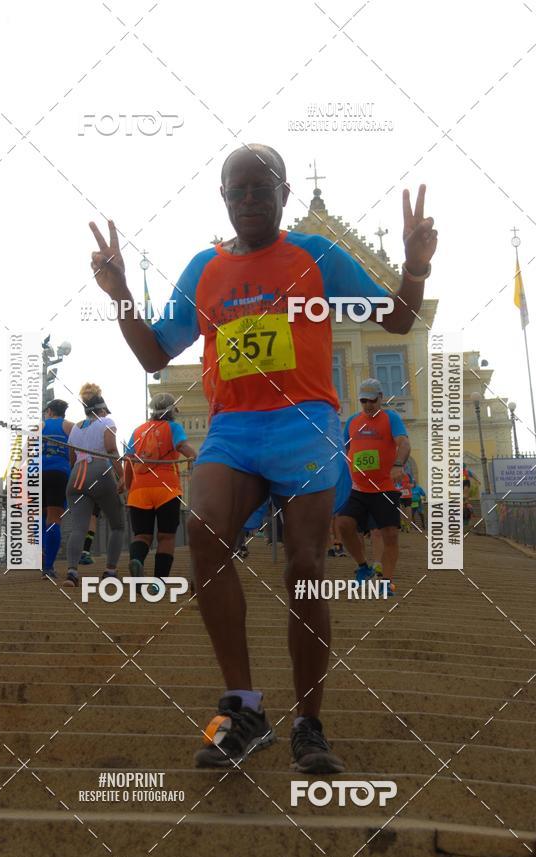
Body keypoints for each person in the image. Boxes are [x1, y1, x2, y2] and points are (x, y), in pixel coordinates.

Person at [88, 143, 437, 772]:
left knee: (303, 563)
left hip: (306, 428)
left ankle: (309, 720)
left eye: (262, 188)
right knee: (204, 530)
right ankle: (244, 708)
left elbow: (397, 319)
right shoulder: (205, 269)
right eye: (237, 191)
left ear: (283, 194)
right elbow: (154, 355)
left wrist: (414, 268)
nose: (250, 200)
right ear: (223, 198)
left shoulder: (317, 255)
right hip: (234, 430)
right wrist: (117, 294)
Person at [338, 378, 412, 597]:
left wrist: (398, 464)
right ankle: (363, 567)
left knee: (389, 534)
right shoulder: (352, 421)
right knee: (343, 524)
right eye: (363, 401)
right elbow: (343, 451)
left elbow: (404, 443)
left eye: (372, 400)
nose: (368, 405)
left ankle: (386, 581)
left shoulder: (390, 418)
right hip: (358, 488)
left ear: (380, 398)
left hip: (384, 488)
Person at [124, 393, 197, 595]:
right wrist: (196, 457)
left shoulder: (138, 431)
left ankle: (137, 561)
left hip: (139, 490)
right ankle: (157, 584)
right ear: (172, 411)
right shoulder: (173, 428)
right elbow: (182, 446)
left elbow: (128, 460)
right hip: (167, 489)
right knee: (166, 537)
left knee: (142, 535)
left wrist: (128, 487)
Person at [62, 384, 125, 588]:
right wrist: (122, 475)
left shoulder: (76, 428)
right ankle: (110, 571)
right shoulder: (107, 421)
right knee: (117, 525)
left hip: (76, 476)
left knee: (78, 527)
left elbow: (72, 457)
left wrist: (79, 474)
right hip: (99, 470)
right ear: (102, 409)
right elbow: (110, 449)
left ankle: (71, 573)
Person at [41, 399, 74, 579]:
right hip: (59, 473)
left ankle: (41, 551)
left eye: (46, 412)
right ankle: (48, 567)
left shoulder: (39, 426)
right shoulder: (70, 427)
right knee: (54, 519)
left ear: (51, 411)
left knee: (39, 516)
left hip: (37, 473)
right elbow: (75, 452)